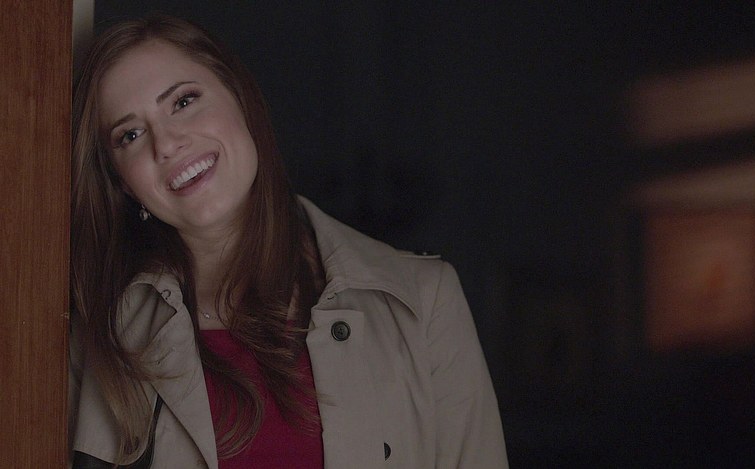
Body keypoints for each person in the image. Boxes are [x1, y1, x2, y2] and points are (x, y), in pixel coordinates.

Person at [69, 14, 507, 469]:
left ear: (239, 98)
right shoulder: (103, 331)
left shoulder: (423, 301)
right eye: (131, 135)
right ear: (121, 183)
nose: (166, 144)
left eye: (183, 101)